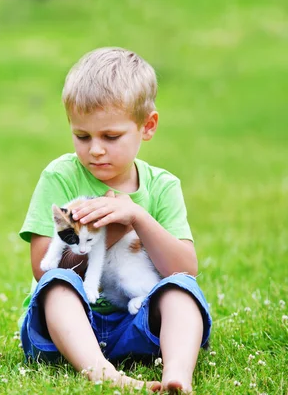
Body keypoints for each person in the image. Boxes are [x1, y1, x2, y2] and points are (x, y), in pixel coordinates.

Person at [18, 47, 212, 393]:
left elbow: (184, 269)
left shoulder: (162, 186)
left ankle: (178, 374)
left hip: (138, 322)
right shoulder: (60, 177)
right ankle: (102, 372)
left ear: (147, 126)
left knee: (182, 293)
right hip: (70, 330)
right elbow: (42, 269)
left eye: (110, 137)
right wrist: (106, 234)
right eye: (82, 136)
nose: (95, 149)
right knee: (56, 287)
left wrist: (136, 216)